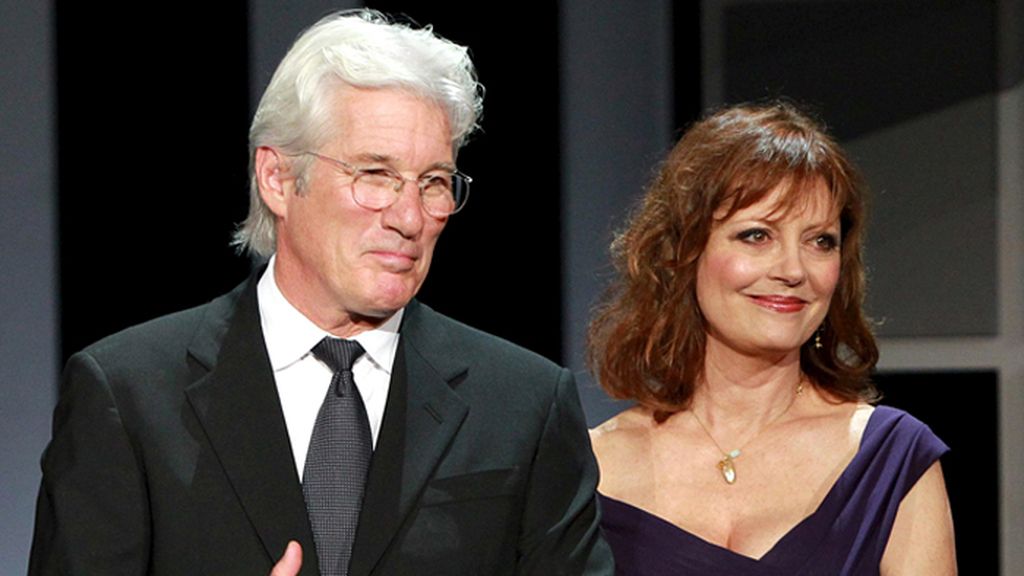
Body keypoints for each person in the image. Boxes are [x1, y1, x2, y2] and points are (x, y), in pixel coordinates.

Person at [30, 10, 612, 576]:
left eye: (434, 182)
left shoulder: (525, 406)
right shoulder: (128, 397)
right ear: (278, 179)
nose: (411, 217)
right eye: (375, 174)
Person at [587, 102, 956, 575]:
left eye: (820, 241)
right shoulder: (596, 466)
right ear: (682, 251)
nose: (793, 271)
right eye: (757, 236)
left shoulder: (892, 461)